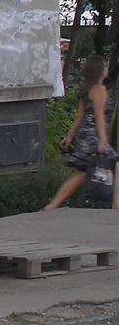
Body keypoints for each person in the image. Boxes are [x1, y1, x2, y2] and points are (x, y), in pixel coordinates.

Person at [44, 54, 118, 210]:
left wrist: (69, 136)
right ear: (100, 70)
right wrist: (103, 140)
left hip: (85, 135)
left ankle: (52, 206)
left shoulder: (88, 89)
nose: (107, 69)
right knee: (116, 164)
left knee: (82, 173)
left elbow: (80, 116)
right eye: (104, 66)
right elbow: (99, 116)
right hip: (94, 136)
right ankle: (116, 205)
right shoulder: (99, 90)